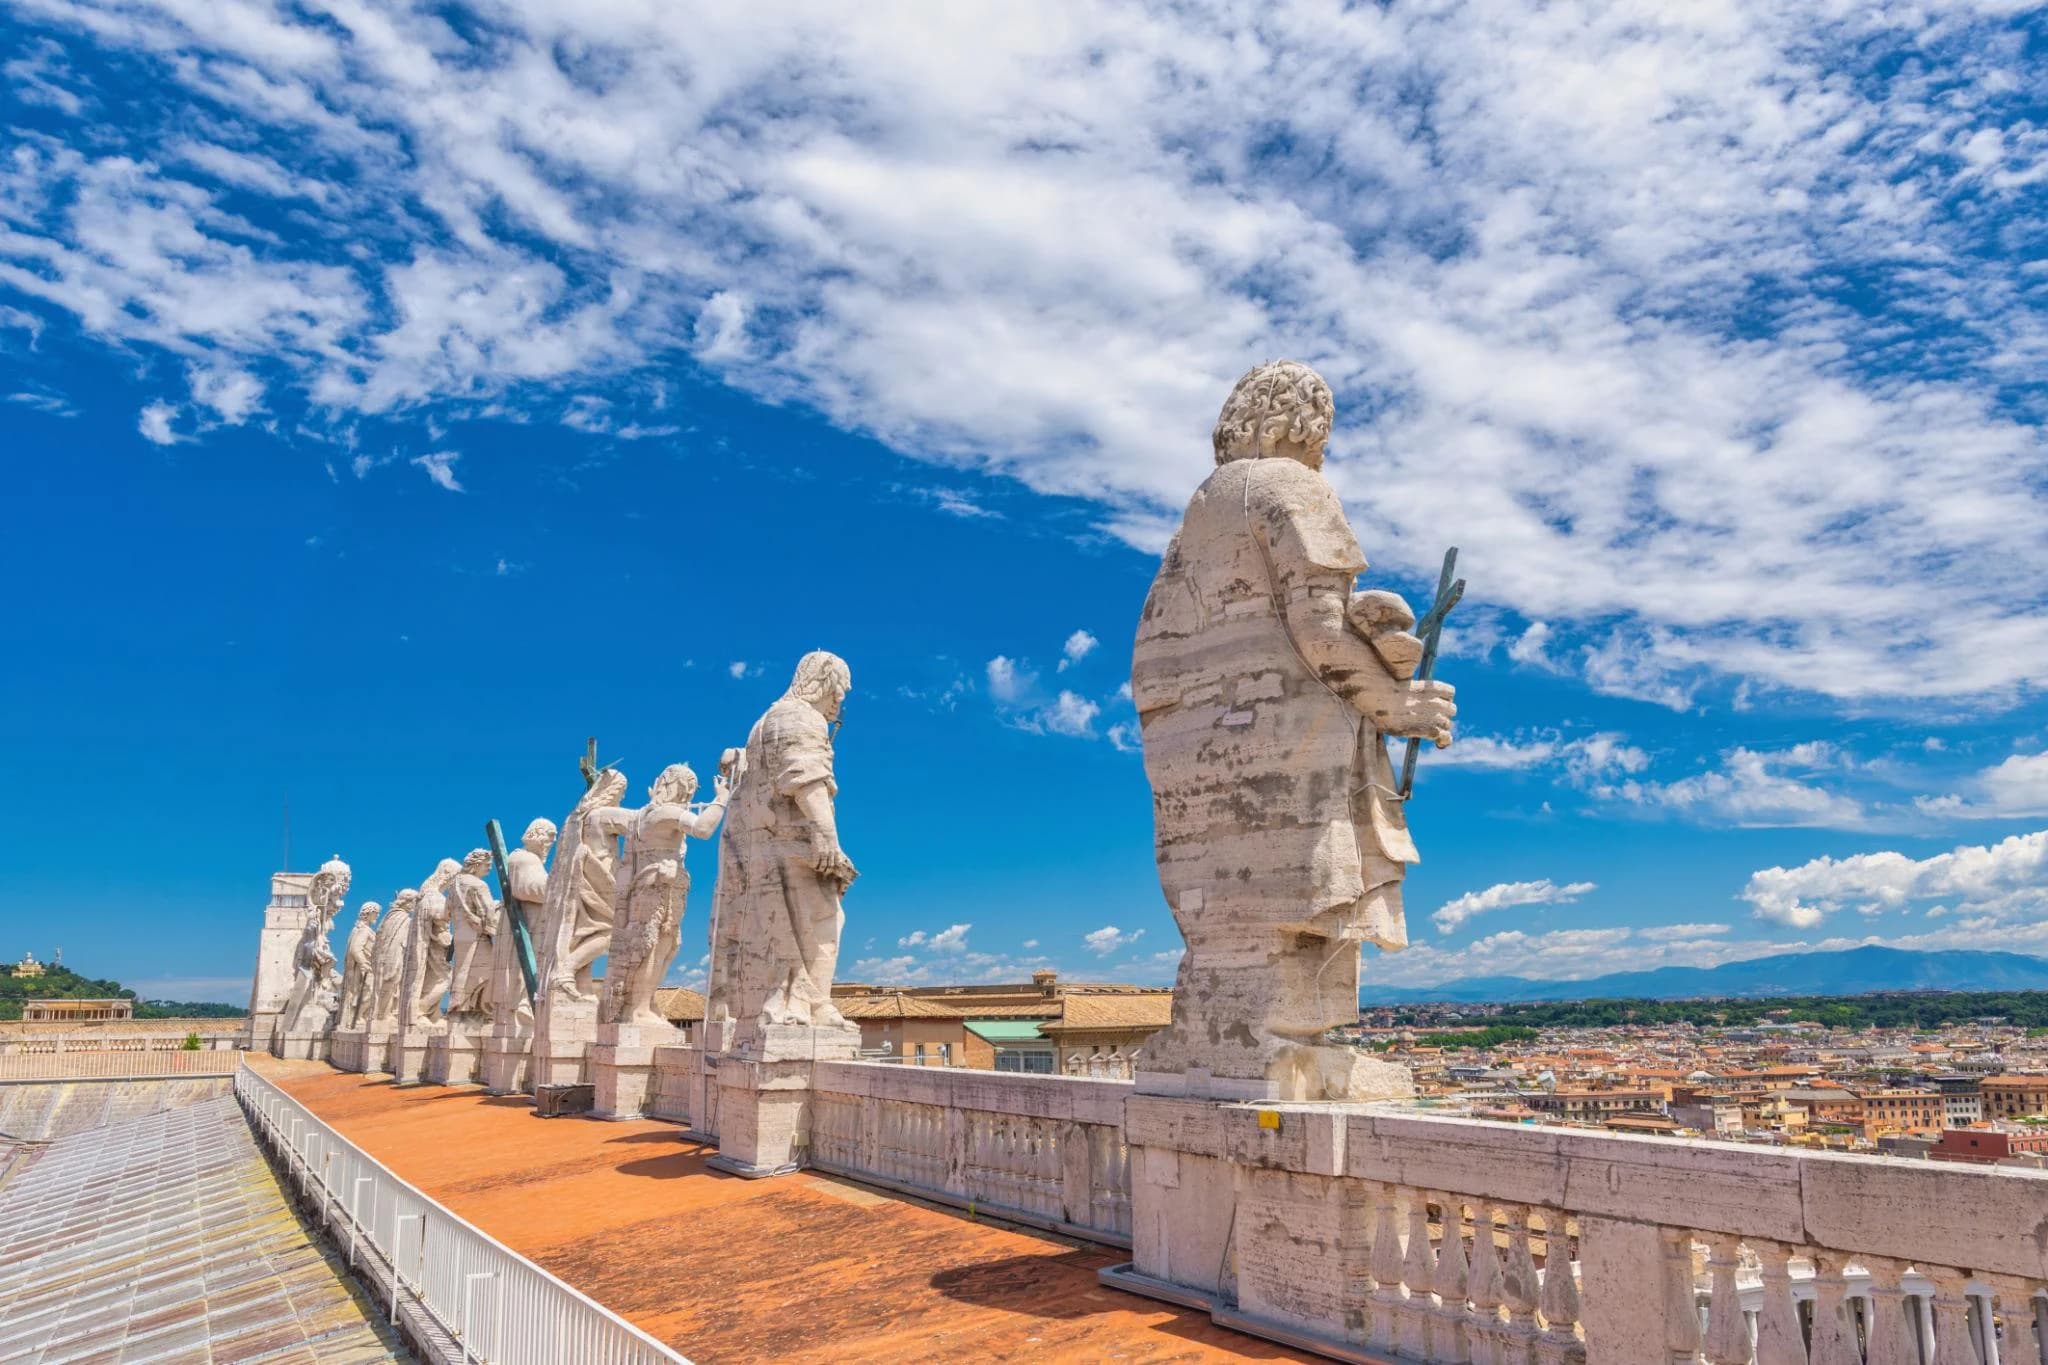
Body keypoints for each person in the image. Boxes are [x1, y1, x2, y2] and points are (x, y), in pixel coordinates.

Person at [1131, 359, 1456, 1100]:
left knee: (1232, 918)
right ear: (1304, 423)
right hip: (1281, 743)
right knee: (1303, 897)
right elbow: (1316, 627)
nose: (1322, 452)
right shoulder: (1288, 487)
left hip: (1195, 753)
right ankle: (1283, 1044)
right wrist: (1393, 703)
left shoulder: (1197, 521)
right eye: (1323, 436)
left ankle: (1222, 1034)